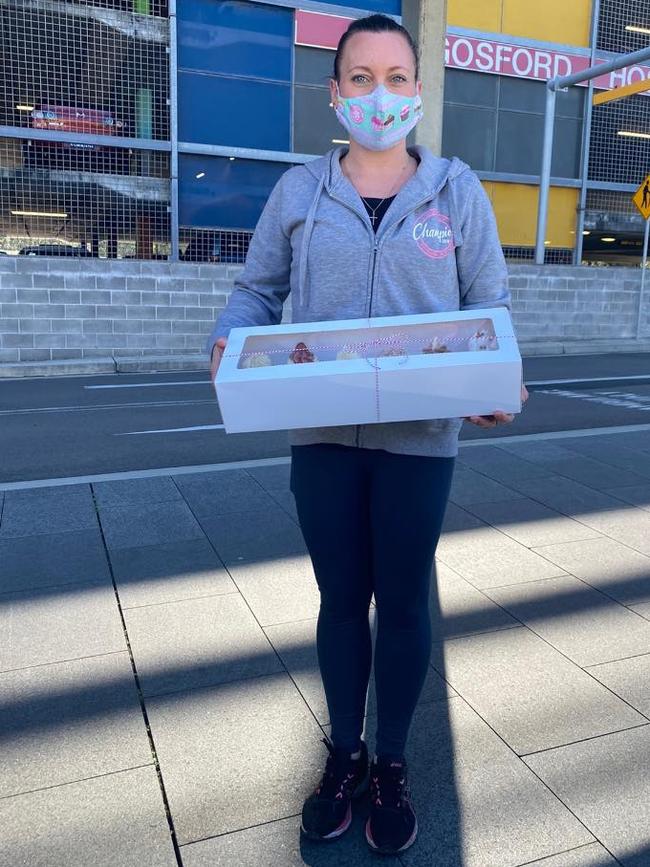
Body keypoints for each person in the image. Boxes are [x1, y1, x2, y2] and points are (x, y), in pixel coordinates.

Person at [208, 13, 528, 856]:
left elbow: (489, 307)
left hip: (420, 439)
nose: (378, 94)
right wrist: (227, 337)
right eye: (360, 78)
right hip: (322, 436)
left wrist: (499, 377)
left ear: (416, 91)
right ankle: (342, 754)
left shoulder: (455, 192)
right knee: (342, 600)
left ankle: (392, 760)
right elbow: (256, 292)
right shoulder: (300, 193)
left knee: (406, 597)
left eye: (394, 77)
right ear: (336, 93)